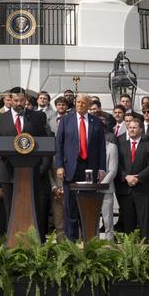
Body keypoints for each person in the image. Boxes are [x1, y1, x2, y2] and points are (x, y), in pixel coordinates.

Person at [0, 87, 51, 238]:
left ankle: (33, 240)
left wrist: (42, 167)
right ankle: (12, 240)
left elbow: (45, 142)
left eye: (22, 100)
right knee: (10, 209)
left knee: (32, 208)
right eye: (16, 100)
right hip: (8, 172)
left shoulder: (37, 117)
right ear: (10, 101)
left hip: (31, 173)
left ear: (26, 100)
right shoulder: (1, 119)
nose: (19, 103)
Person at [54, 93, 107, 241]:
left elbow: (101, 147)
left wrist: (102, 169)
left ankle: (89, 240)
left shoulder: (96, 122)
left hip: (90, 169)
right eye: (78, 102)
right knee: (70, 208)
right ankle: (71, 241)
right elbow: (59, 144)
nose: (80, 105)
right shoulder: (66, 120)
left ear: (89, 105)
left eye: (84, 103)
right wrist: (59, 166)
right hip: (70, 169)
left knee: (88, 207)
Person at [115, 118, 149, 241]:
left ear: (141, 130)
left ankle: (147, 248)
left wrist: (138, 178)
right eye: (129, 127)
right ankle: (130, 250)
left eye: (134, 127)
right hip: (125, 189)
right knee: (128, 222)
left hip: (143, 189)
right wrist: (126, 176)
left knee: (145, 222)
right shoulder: (121, 146)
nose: (131, 130)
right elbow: (117, 165)